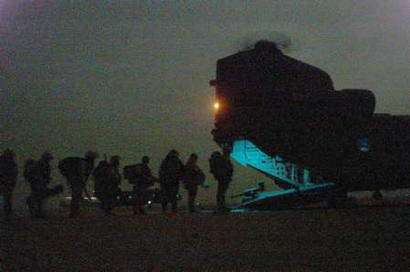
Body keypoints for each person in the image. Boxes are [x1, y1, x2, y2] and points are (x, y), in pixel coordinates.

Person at [58, 151, 98, 218]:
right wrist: (84, 188)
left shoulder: (83, 163)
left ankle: (75, 212)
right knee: (75, 197)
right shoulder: (84, 164)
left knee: (76, 196)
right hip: (77, 181)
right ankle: (74, 213)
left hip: (75, 181)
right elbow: (82, 175)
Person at [25, 152, 63, 218]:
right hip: (38, 183)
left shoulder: (43, 165)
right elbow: (38, 175)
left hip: (39, 183)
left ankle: (37, 212)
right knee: (40, 197)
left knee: (40, 197)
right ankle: (37, 212)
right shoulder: (40, 165)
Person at [209, 147, 233, 213]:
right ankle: (221, 207)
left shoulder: (222, 159)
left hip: (223, 178)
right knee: (221, 194)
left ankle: (221, 207)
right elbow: (227, 169)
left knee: (221, 193)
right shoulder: (223, 160)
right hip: (224, 178)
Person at [0, 149, 18, 216]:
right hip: (6, 183)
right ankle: (7, 213)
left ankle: (7, 213)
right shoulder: (11, 163)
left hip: (7, 184)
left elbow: (14, 174)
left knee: (7, 198)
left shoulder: (11, 163)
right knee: (7, 198)